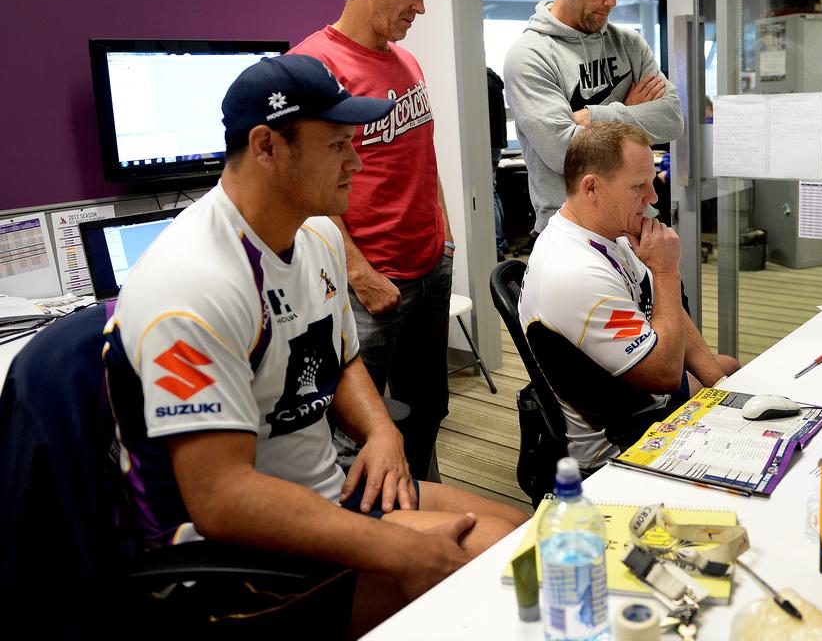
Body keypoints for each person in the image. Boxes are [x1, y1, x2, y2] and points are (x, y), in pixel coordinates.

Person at [103, 54, 527, 633]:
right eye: (337, 145)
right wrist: (395, 549)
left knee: (532, 537)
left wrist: (381, 431)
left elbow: (341, 355)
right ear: (266, 146)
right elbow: (222, 497)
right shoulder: (192, 284)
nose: (357, 161)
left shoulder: (319, 233)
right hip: (227, 561)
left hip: (323, 498)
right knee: (506, 569)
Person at [290, 0, 452, 481]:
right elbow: (308, 190)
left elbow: (423, 156)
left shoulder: (406, 64)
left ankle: (426, 509)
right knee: (358, 432)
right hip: (368, 281)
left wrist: (444, 234)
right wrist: (358, 271)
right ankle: (372, 546)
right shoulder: (313, 67)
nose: (421, 7)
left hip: (430, 265)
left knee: (427, 410)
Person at [518, 121, 740, 469]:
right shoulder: (574, 272)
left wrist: (723, 390)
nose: (652, 198)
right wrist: (667, 271)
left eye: (651, 183)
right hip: (622, 443)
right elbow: (665, 375)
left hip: (644, 398)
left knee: (727, 370)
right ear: (591, 188)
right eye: (639, 186)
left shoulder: (609, 231)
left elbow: (664, 310)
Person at [503, 0, 684, 233]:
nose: (612, 0)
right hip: (573, 230)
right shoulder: (530, 56)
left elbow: (672, 120)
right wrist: (630, 112)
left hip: (639, 222)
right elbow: (564, 154)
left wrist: (592, 117)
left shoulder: (630, 44)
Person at [487, 66, 511, 261]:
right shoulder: (494, 81)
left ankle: (496, 244)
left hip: (487, 145)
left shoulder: (482, 83)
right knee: (494, 193)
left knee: (490, 194)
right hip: (497, 144)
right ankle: (500, 242)